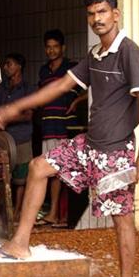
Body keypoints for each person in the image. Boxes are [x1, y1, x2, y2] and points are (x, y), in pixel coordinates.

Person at [0, 0, 139, 277]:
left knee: (121, 220)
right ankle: (20, 243)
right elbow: (61, 87)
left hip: (117, 152)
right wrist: (11, 109)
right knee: (38, 166)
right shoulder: (94, 55)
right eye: (92, 14)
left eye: (103, 12)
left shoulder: (128, 52)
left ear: (116, 14)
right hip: (89, 145)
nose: (97, 19)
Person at [36, 29, 81, 227]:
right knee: (51, 171)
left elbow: (91, 89)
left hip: (65, 126)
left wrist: (77, 100)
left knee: (65, 172)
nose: (52, 50)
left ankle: (63, 216)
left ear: (63, 48)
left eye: (55, 47)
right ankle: (54, 213)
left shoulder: (72, 68)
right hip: (48, 126)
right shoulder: (43, 71)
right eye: (49, 47)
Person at [0, 53, 35, 222]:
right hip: (4, 140)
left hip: (22, 138)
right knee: (2, 176)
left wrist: (6, 116)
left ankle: (17, 214)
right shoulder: (1, 89)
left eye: (9, 64)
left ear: (19, 67)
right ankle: (4, 213)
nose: (5, 67)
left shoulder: (27, 88)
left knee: (21, 179)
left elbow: (28, 115)